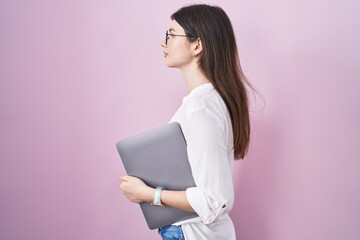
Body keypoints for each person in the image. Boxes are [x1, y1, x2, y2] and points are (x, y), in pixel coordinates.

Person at [119, 4, 252, 240]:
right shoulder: (205, 102)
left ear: (197, 45)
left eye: (171, 34)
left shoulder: (201, 109)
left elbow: (212, 201)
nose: (164, 43)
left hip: (194, 234)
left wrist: (149, 194)